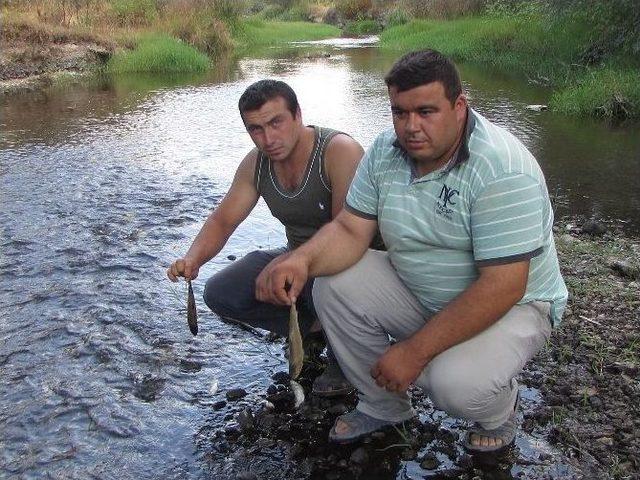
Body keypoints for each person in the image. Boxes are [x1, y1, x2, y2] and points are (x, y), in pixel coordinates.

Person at [256, 50, 568, 452]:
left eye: (426, 111)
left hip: (514, 305)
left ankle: (499, 410)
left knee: (454, 385)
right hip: (423, 290)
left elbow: (504, 285)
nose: (410, 127)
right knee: (330, 282)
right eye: (399, 113)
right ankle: (384, 406)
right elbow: (351, 230)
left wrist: (413, 352)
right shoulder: (385, 152)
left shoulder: (502, 167)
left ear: (459, 106)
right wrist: (300, 259)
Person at [167, 79, 367, 396]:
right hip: (298, 257)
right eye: (256, 129)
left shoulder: (339, 152)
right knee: (221, 292)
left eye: (276, 123)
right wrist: (193, 259)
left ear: (298, 115)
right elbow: (223, 220)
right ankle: (312, 331)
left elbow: (347, 232)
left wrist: (292, 263)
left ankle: (347, 358)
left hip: (353, 263)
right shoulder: (255, 164)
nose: (268, 138)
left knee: (333, 285)